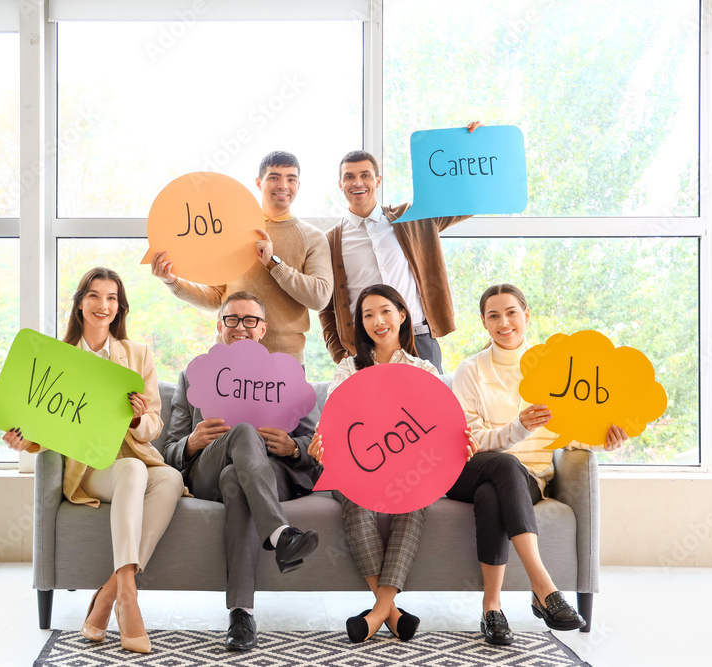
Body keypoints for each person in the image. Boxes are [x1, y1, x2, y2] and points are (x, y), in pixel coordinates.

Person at [3, 267, 185, 654]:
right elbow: (44, 418)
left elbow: (154, 423)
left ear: (120, 307)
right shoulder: (59, 357)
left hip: (133, 455)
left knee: (169, 479)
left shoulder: (138, 354)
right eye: (95, 296)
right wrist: (24, 438)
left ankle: (108, 595)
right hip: (91, 469)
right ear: (80, 302)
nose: (103, 305)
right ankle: (129, 600)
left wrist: (137, 418)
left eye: (112, 298)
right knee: (134, 470)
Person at [449, 283, 629, 645]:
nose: (504, 322)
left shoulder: (553, 371)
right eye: (494, 315)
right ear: (484, 323)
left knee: (491, 496)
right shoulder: (469, 371)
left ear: (526, 315)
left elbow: (571, 431)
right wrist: (518, 427)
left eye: (511, 312)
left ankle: (491, 608)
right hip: (470, 470)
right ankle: (544, 587)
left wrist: (606, 439)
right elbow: (469, 441)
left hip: (526, 479)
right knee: (500, 466)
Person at [307, 284, 477, 643]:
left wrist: (464, 444)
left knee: (412, 505)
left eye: (385, 311)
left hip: (407, 469)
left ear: (402, 315)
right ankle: (392, 612)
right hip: (355, 469)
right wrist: (320, 445)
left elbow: (442, 428)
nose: (377, 321)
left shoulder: (423, 369)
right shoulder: (348, 367)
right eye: (367, 315)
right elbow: (333, 424)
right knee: (354, 501)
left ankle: (379, 611)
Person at [161, 291, 322, 651]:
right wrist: (191, 442)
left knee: (236, 479)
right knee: (244, 432)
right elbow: (168, 451)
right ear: (219, 326)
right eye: (232, 319)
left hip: (267, 474)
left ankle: (241, 613)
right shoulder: (193, 375)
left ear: (262, 329)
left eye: (250, 320)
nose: (240, 328)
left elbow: (316, 444)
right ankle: (281, 535)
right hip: (205, 472)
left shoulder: (286, 374)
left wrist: (293, 446)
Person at [318, 122, 481, 373]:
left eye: (365, 175)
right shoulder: (330, 241)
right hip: (365, 348)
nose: (357, 182)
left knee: (428, 411)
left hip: (419, 339)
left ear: (378, 180)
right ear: (340, 184)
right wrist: (340, 354)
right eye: (349, 176)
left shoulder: (412, 218)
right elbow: (326, 308)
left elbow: (466, 203)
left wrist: (471, 145)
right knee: (370, 414)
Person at [151, 151, 333, 364]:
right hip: (228, 358)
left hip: (283, 362)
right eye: (274, 177)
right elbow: (215, 298)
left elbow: (319, 298)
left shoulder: (313, 238)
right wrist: (172, 281)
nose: (283, 185)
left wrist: (274, 264)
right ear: (259, 182)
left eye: (291, 179)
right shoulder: (231, 230)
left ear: (298, 185)